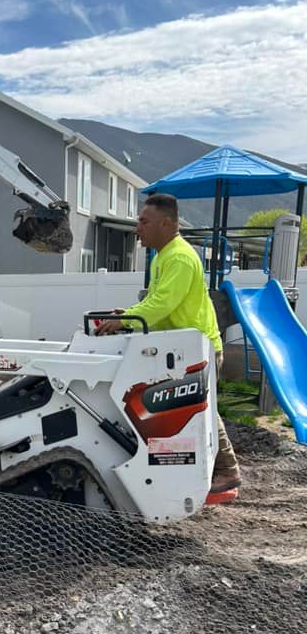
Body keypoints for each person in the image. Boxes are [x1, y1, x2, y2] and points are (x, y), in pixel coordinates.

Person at [96, 193, 241, 502]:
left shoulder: (179, 257)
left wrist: (126, 323)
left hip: (198, 348)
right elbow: (154, 301)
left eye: (143, 221)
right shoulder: (164, 255)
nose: (138, 228)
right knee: (187, 411)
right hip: (181, 347)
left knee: (200, 412)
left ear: (166, 223)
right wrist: (127, 315)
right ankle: (193, 469)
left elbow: (163, 304)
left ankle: (227, 471)